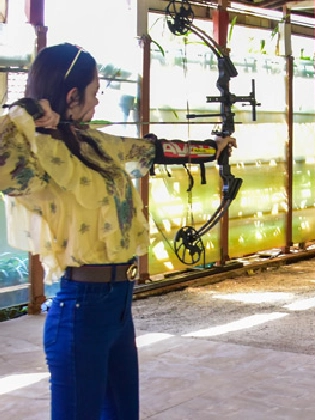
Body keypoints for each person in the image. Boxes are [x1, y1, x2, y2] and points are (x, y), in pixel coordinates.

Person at [0, 42, 236, 419]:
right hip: (81, 308)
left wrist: (212, 148)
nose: (98, 101)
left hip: (118, 304)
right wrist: (28, 109)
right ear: (72, 95)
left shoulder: (92, 143)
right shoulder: (33, 155)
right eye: (94, 92)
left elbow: (150, 150)